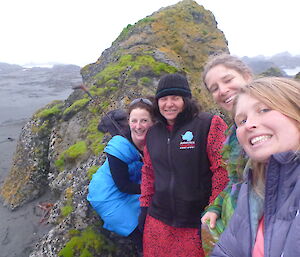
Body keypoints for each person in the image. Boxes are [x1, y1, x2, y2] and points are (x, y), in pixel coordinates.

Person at [138, 73, 229, 257]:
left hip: (195, 221)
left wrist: (214, 208)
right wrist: (144, 207)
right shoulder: (153, 133)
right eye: (163, 99)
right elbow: (148, 172)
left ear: (186, 100)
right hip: (158, 222)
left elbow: (222, 169)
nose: (169, 104)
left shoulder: (209, 124)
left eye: (175, 98)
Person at [212, 77, 300, 256]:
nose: (249, 125)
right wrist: (214, 207)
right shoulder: (252, 189)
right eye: (242, 120)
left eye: (264, 109)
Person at [200, 53, 253, 254]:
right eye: (214, 88)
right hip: (238, 231)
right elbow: (235, 181)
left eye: (228, 79)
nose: (223, 90)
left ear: (246, 75)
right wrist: (215, 208)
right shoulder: (232, 135)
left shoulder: (279, 117)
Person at [87, 98, 154, 254]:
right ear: (129, 121)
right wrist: (156, 189)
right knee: (140, 234)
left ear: (153, 122)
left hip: (133, 187)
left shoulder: (153, 140)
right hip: (107, 194)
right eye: (134, 121)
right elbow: (122, 185)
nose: (138, 126)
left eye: (144, 120)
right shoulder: (119, 145)